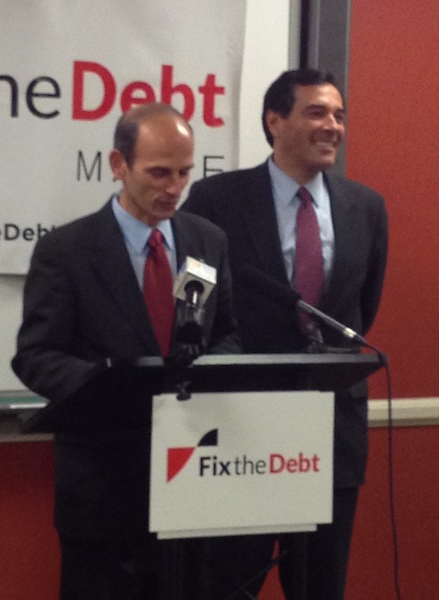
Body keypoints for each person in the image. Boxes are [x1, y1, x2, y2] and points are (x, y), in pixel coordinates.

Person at [12, 102, 240, 600]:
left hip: (192, 476)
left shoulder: (207, 241)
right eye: (159, 172)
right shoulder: (67, 250)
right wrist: (107, 387)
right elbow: (35, 355)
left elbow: (226, 333)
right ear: (118, 165)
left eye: (184, 172)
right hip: (102, 487)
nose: (174, 187)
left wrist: (205, 373)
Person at [182, 69, 388, 599]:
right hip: (240, 431)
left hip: (331, 430)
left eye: (339, 115)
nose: (333, 126)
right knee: (227, 583)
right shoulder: (214, 200)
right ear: (275, 122)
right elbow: (191, 306)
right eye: (317, 112)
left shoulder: (365, 206)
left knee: (320, 585)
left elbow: (361, 307)